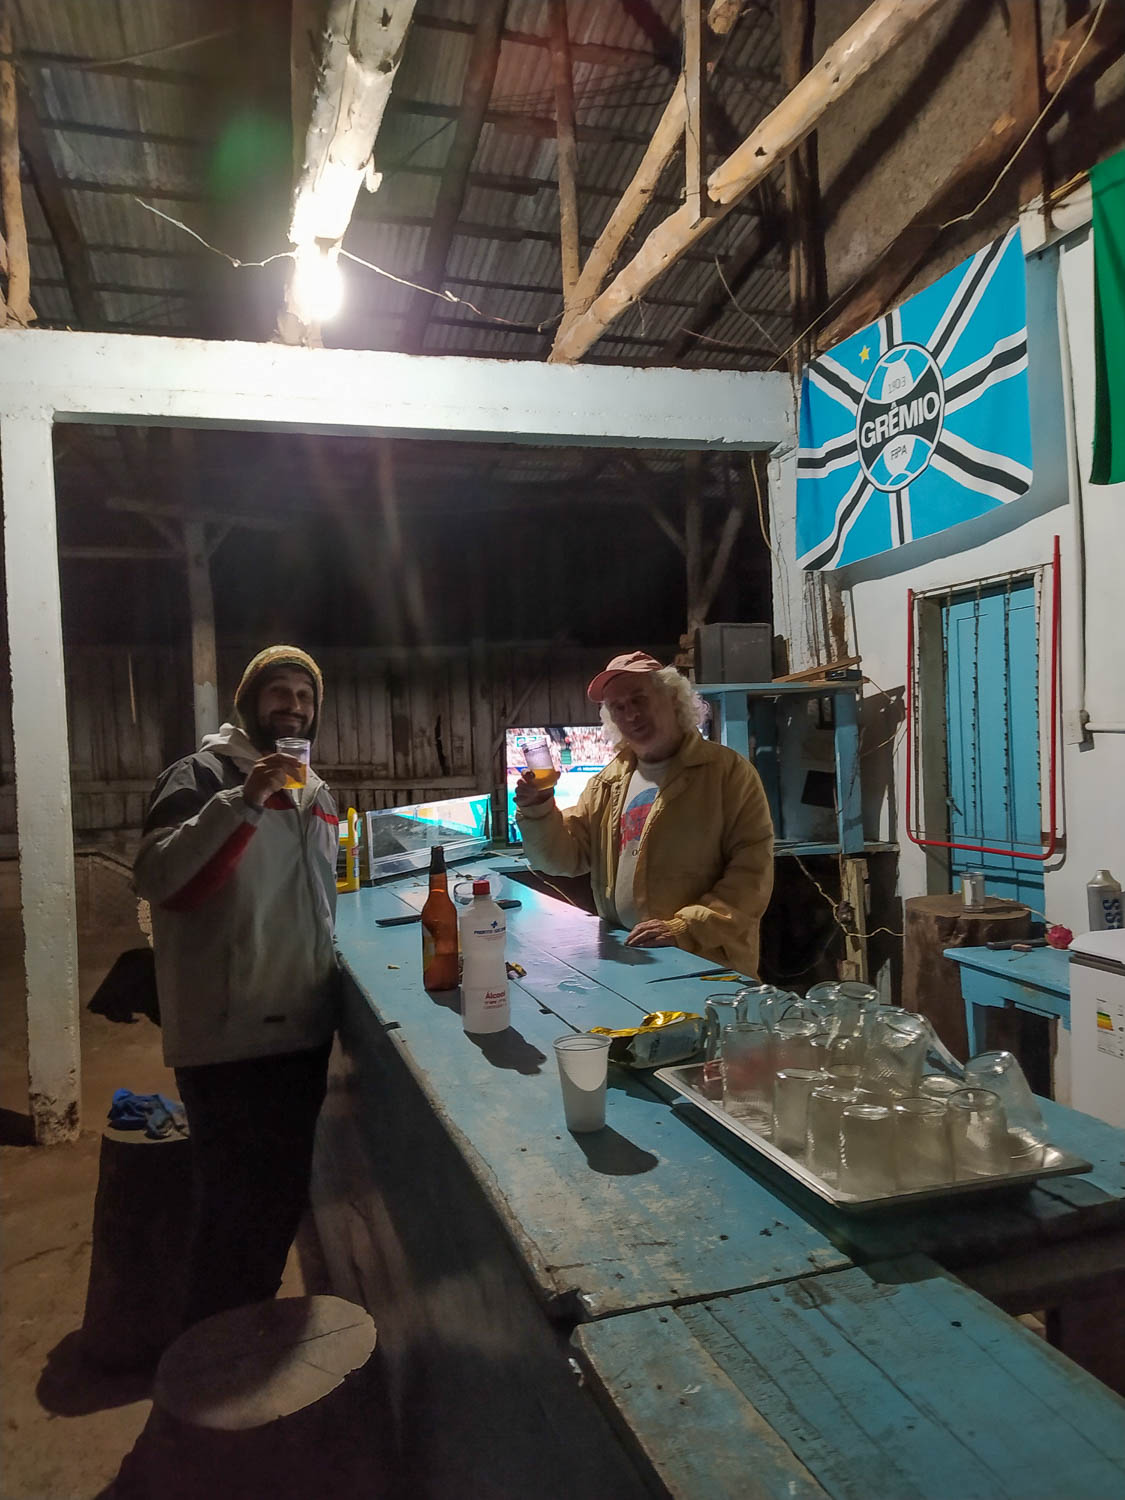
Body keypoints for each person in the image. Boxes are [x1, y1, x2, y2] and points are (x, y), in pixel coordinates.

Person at [134, 645, 340, 1327]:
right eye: (279, 692)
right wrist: (243, 798)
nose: (294, 706)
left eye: (305, 697)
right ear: (248, 703)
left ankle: (239, 1343)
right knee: (232, 1213)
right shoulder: (198, 775)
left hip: (298, 1025)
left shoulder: (315, 789)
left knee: (275, 1203)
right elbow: (162, 878)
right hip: (232, 1034)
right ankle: (207, 1362)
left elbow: (311, 899)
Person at [515, 651, 774, 977]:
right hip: (628, 956)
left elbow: (752, 875)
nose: (631, 714)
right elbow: (559, 859)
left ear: (673, 699)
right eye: (618, 707)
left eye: (640, 699)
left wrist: (685, 928)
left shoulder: (728, 773)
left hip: (704, 962)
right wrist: (538, 808)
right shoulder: (606, 783)